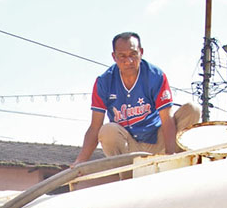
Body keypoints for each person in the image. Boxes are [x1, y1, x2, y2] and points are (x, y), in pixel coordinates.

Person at [74, 32, 200, 164]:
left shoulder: (155, 76)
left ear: (141, 53)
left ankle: (175, 162)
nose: (128, 61)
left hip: (157, 140)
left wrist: (170, 154)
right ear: (114, 57)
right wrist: (80, 161)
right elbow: (95, 126)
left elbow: (166, 119)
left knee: (193, 109)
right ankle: (126, 174)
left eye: (133, 55)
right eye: (122, 56)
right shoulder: (104, 81)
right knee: (107, 130)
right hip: (129, 147)